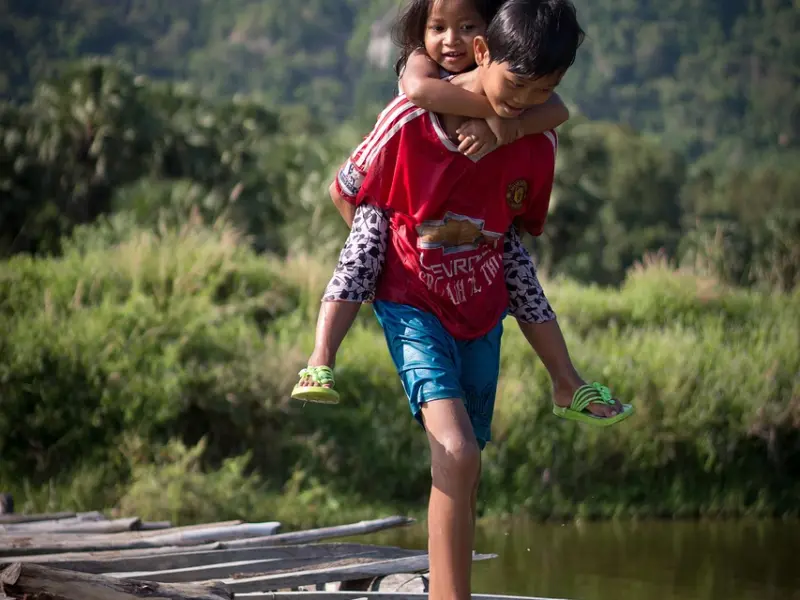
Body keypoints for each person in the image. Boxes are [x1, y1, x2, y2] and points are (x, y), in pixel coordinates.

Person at [298, 1, 633, 598]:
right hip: (411, 302)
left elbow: (518, 223)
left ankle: (565, 381)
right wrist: (393, 262)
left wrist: (511, 124)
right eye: (517, 86)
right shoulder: (409, 117)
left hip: (479, 308)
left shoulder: (535, 138)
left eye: (541, 92)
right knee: (456, 449)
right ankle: (322, 354)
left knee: (464, 460)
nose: (525, 101)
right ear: (484, 56)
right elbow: (345, 191)